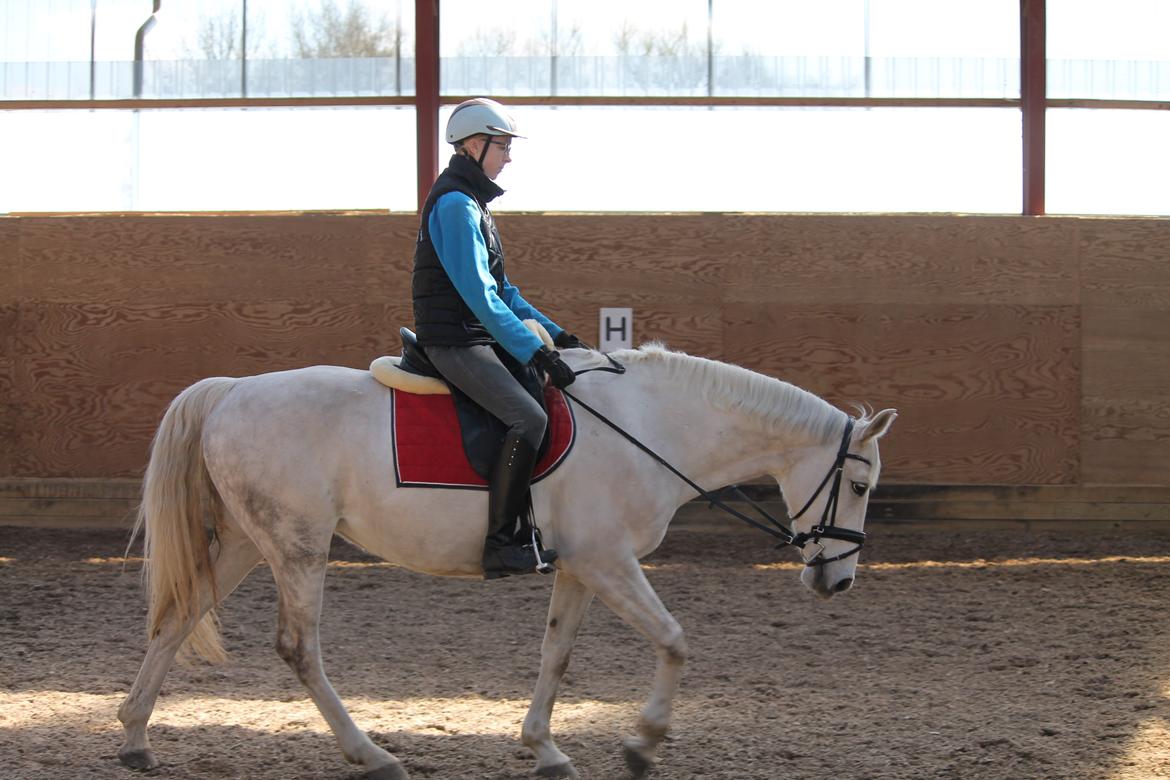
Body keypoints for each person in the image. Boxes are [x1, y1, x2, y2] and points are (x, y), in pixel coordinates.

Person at [411, 97, 585, 579]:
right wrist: (534, 351)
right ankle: (500, 541)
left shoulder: (472, 204)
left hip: (473, 336)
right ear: (473, 144)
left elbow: (505, 291)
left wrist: (557, 335)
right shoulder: (454, 206)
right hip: (454, 342)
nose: (509, 156)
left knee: (538, 395)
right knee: (528, 418)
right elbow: (481, 298)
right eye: (502, 145)